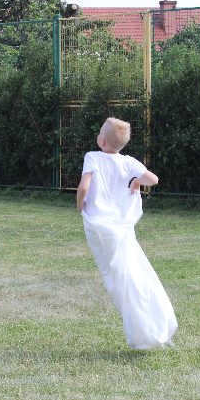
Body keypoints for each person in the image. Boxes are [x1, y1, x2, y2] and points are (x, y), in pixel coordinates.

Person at [76, 117, 177, 349]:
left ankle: (142, 327)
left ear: (102, 141)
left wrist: (80, 204)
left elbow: (83, 187)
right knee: (132, 271)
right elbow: (154, 179)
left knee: (116, 277)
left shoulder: (92, 157)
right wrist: (136, 182)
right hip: (121, 228)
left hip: (99, 227)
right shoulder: (128, 162)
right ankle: (151, 321)